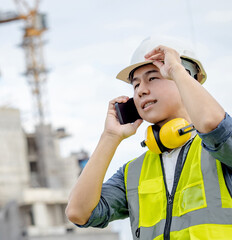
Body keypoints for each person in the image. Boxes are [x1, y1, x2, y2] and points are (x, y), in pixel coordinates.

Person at [65, 36, 232, 240]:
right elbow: (78, 213)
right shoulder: (132, 172)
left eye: (153, 78)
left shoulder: (221, 149)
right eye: (135, 86)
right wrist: (110, 136)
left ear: (189, 79)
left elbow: (211, 125)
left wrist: (175, 70)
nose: (142, 90)